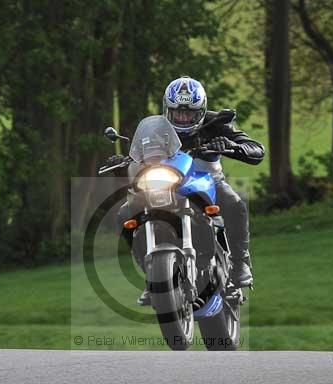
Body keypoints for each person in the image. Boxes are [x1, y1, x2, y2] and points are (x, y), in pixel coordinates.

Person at [112, 76, 264, 304]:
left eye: (189, 113)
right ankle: (151, 275)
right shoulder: (156, 128)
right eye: (177, 113)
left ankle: (240, 264)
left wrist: (231, 145)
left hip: (206, 180)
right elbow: (138, 153)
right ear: (167, 109)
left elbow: (256, 149)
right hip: (163, 183)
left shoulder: (216, 123)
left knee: (235, 203)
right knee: (124, 214)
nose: (183, 118)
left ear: (201, 110)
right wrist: (126, 159)